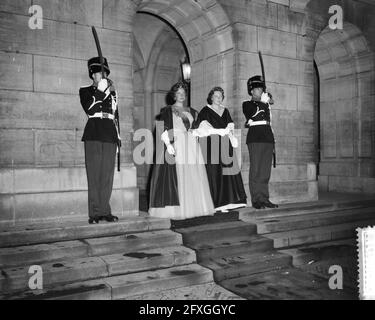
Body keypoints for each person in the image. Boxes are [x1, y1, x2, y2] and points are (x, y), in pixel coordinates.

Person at [148, 82, 215, 220]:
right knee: (178, 175)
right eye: (178, 93)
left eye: (183, 93)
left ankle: (196, 207)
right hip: (177, 143)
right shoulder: (167, 110)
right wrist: (168, 144)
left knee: (193, 175)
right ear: (174, 95)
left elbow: (195, 128)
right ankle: (177, 209)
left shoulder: (192, 111)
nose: (181, 95)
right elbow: (162, 129)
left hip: (191, 144)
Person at [79, 56, 121, 224]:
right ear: (92, 74)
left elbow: (116, 117)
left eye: (103, 72)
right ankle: (95, 212)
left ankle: (105, 210)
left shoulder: (114, 93)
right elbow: (90, 109)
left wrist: (118, 137)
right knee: (94, 175)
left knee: (107, 176)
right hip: (94, 132)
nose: (100, 75)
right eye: (97, 73)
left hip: (110, 133)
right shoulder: (85, 90)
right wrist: (100, 91)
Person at [195, 87, 247, 212]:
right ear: (211, 97)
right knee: (214, 173)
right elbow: (202, 129)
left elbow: (229, 126)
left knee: (227, 173)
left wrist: (231, 136)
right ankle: (214, 203)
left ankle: (226, 203)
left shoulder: (225, 110)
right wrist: (218, 131)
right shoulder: (205, 110)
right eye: (216, 96)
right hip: (211, 144)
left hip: (224, 144)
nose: (219, 98)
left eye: (221, 96)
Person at [242, 75, 278, 210]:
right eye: (257, 89)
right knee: (256, 170)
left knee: (265, 171)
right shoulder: (247, 104)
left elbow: (268, 119)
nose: (260, 91)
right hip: (255, 138)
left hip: (267, 137)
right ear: (251, 91)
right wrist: (263, 102)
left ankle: (264, 198)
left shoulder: (266, 104)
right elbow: (252, 115)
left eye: (261, 88)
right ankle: (256, 200)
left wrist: (267, 101)